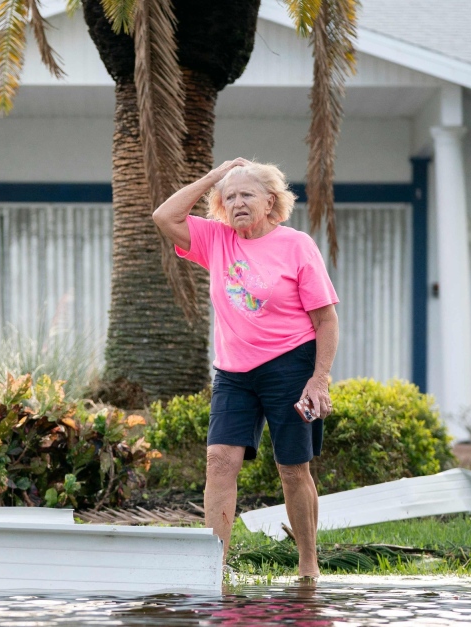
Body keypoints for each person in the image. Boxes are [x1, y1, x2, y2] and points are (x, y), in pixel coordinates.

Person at [152, 158, 339, 579]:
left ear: (270, 201)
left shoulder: (296, 245)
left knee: (293, 469)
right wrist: (214, 177)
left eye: (246, 194)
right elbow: (164, 216)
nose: (236, 202)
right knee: (218, 462)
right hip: (234, 373)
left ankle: (308, 565)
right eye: (229, 196)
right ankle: (210, 569)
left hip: (291, 367)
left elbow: (326, 320)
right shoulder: (216, 240)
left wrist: (318, 378)